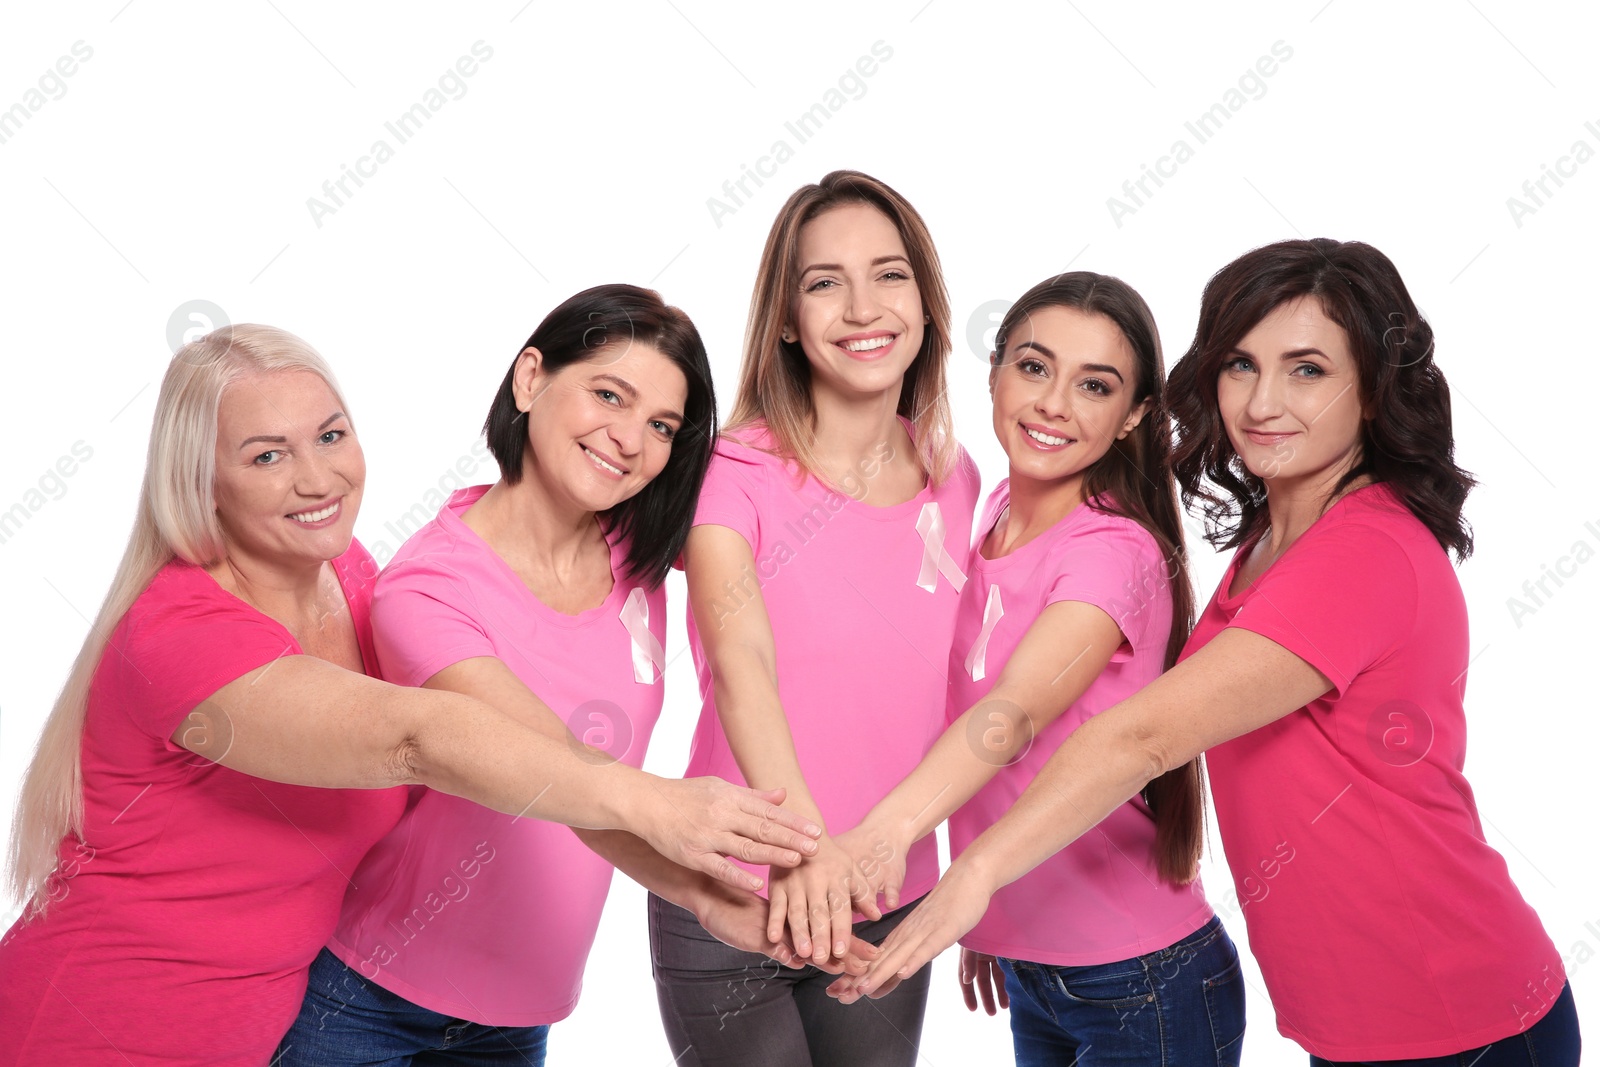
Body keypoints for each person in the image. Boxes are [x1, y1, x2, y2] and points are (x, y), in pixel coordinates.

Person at [0, 323, 827, 1067]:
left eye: (331, 435)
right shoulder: (180, 634)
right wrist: (665, 809)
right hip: (91, 1026)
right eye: (266, 454)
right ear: (201, 480)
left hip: (254, 1030)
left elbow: (751, 535)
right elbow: (419, 738)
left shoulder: (343, 573)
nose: (316, 476)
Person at [839, 239, 1581, 1067]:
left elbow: (1139, 737)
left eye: (1306, 370)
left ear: (1372, 389)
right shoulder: (1277, 537)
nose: (1263, 401)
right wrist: (1010, 914)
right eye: (1240, 365)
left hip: (1456, 1012)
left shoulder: (1365, 552)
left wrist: (969, 882)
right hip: (1359, 1020)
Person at [277, 285, 872, 1066]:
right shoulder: (425, 589)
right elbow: (551, 773)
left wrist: (730, 899)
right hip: (372, 1003)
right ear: (530, 380)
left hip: (521, 1020)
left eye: (661, 425)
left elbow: (785, 506)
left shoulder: (641, 554)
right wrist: (695, 857)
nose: (629, 439)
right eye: (607, 394)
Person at [837, 271, 1244, 1065]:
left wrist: (887, 837)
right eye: (1033, 366)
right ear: (993, 376)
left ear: (1131, 418)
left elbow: (1013, 714)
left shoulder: (1112, 552)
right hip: (1036, 970)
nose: (1054, 403)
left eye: (1094, 385)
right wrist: (1001, 918)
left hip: (1143, 982)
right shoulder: (990, 513)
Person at [648, 170, 980, 1067]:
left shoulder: (956, 476)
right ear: (788, 318)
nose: (863, 306)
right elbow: (740, 655)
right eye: (824, 281)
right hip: (736, 894)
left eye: (890, 274)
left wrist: (973, 884)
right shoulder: (731, 468)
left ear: (926, 301)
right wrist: (803, 852)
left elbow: (971, 699)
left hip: (888, 896)